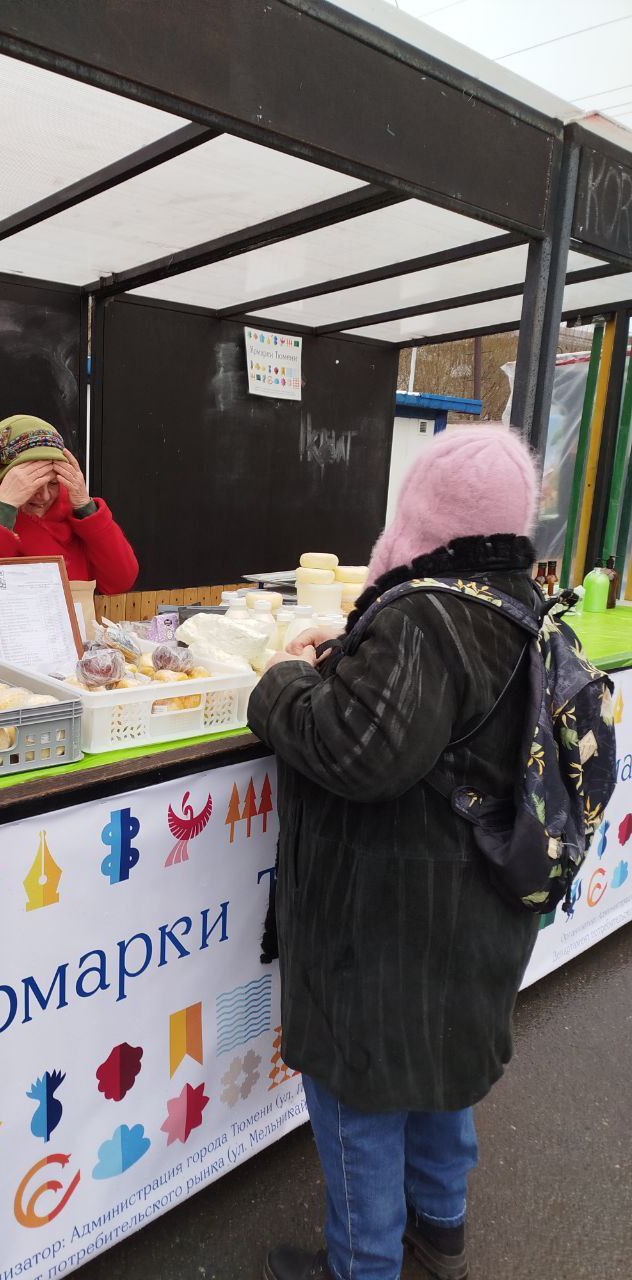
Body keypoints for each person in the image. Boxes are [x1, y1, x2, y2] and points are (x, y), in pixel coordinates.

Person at [248, 426, 543, 1280]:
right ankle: (438, 1239)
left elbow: (358, 752)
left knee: (361, 1106)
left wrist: (282, 683)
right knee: (441, 1086)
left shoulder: (425, 612)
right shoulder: (517, 599)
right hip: (473, 913)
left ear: (424, 511)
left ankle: (363, 1267)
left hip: (387, 929)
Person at [0, 414, 138, 636]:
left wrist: (86, 508)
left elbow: (121, 580)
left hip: (69, 650)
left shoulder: (72, 508)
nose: (44, 496)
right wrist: (2, 510)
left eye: (53, 483)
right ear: (5, 477)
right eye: (33, 483)